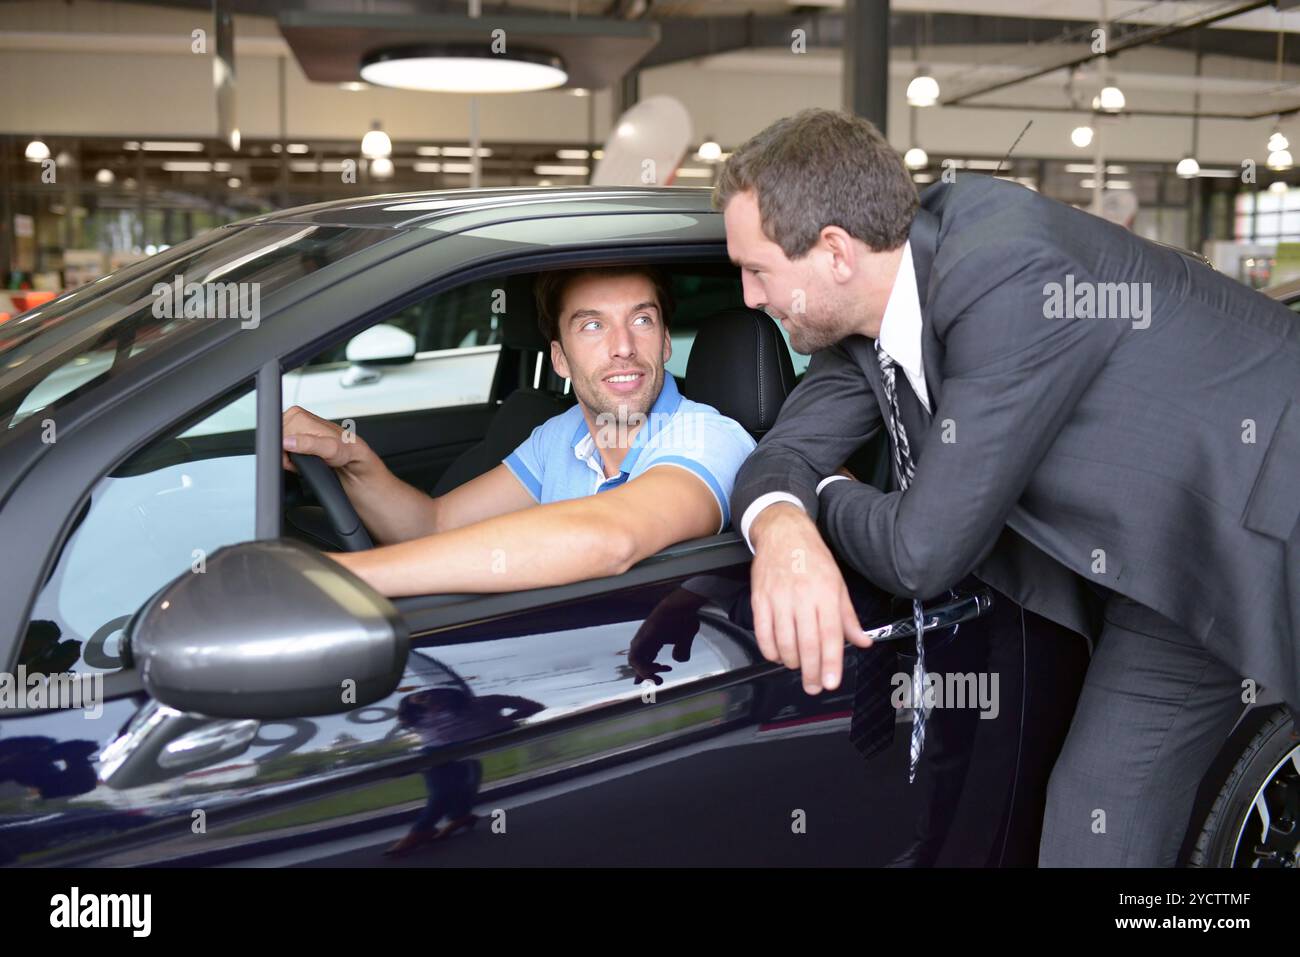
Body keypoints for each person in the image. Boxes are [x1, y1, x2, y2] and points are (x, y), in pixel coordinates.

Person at [715, 107, 1300, 867]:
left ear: (833, 251)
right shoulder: (864, 321)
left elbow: (922, 553)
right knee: (1097, 822)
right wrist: (784, 529)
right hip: (1168, 571)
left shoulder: (1011, 272)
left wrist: (824, 490)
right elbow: (782, 453)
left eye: (756, 271)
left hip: (1271, 504)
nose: (749, 298)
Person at [281, 264, 756, 597]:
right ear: (560, 359)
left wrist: (334, 581)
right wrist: (353, 459)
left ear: (666, 341)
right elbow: (432, 525)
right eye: (592, 325)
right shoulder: (560, 436)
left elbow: (610, 537)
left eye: (641, 319)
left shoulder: (709, 437)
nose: (624, 346)